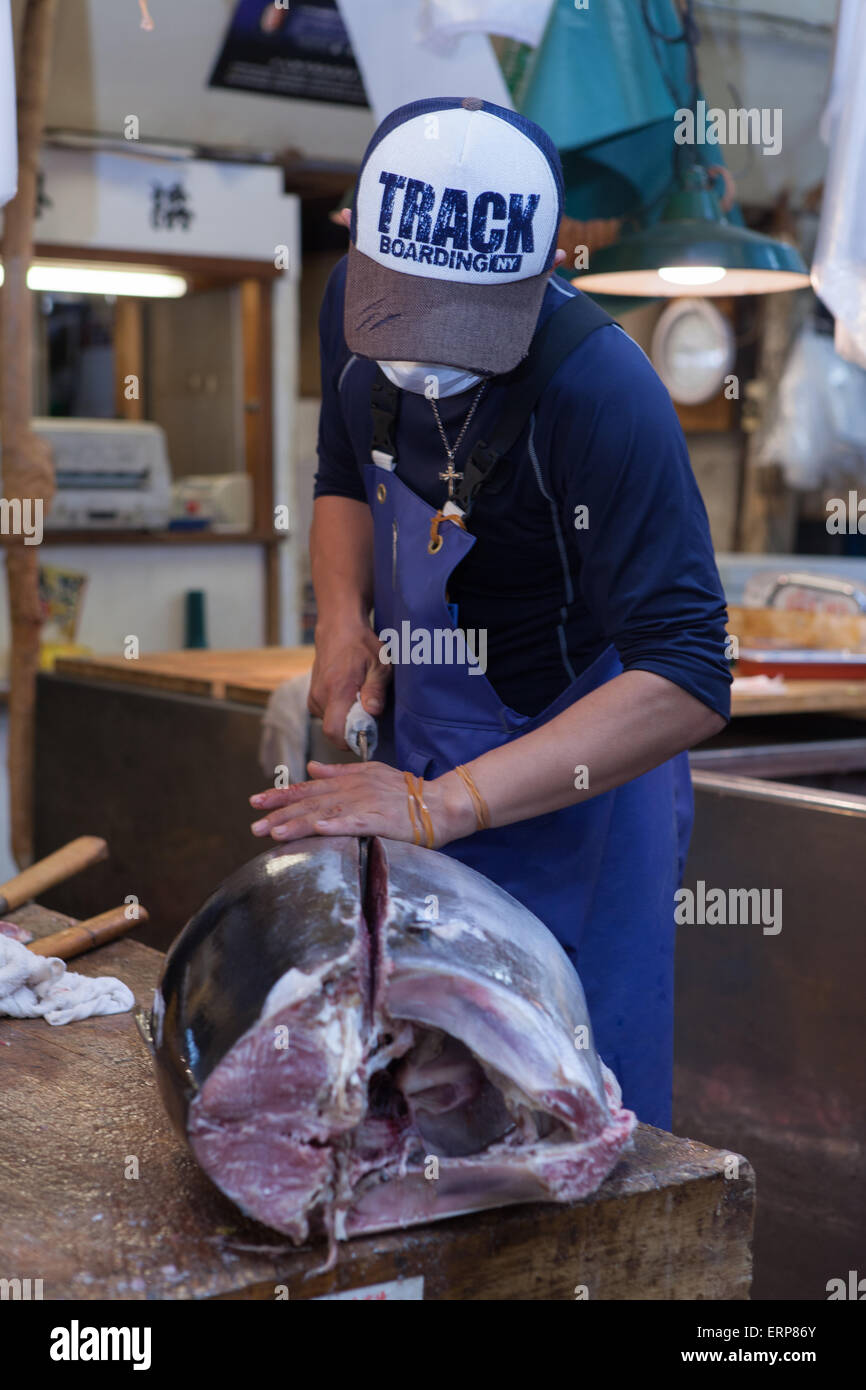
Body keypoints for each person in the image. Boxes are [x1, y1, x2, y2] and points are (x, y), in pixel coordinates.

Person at [250, 96, 730, 1129]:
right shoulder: (344, 304)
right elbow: (342, 469)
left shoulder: (602, 388)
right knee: (409, 1098)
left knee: (569, 1108)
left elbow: (689, 671)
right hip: (421, 742)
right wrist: (342, 617)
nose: (424, 349)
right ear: (356, 243)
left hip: (580, 787)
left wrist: (440, 806)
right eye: (400, 312)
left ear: (541, 268)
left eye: (461, 319)